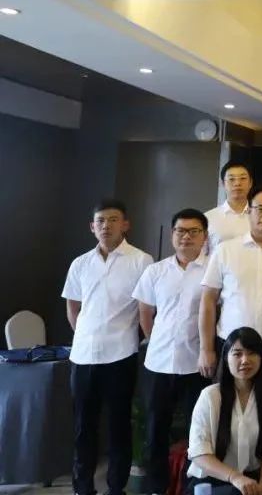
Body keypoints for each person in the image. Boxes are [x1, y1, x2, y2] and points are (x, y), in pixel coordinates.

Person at [62, 199, 154, 495]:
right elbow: (73, 307)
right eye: (100, 221)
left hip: (120, 354)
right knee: (83, 427)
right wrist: (86, 335)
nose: (106, 226)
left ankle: (116, 488)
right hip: (83, 356)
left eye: (113, 220)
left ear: (125, 224)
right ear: (92, 227)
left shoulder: (141, 261)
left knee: (118, 427)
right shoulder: (80, 263)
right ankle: (83, 488)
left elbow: (146, 309)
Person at [133, 208, 211, 495]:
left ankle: (192, 487)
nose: (186, 237)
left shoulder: (213, 270)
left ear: (204, 236)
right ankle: (157, 487)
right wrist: (154, 340)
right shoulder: (156, 271)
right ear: (172, 235)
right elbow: (145, 312)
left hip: (197, 364)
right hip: (159, 362)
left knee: (197, 430)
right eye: (180, 231)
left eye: (193, 231)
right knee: (156, 429)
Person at [200, 185, 262, 397]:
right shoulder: (226, 250)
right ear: (249, 211)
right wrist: (206, 349)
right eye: (260, 208)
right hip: (231, 349)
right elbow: (208, 301)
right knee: (227, 407)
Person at [187, 328, 262, 495]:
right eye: (238, 354)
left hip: (255, 481)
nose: (245, 360)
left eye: (252, 353)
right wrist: (235, 477)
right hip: (213, 480)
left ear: (261, 358)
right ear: (226, 358)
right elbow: (199, 452)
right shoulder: (210, 396)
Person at [205, 161, 253, 253]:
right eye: (231, 179)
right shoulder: (208, 218)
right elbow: (202, 255)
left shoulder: (260, 218)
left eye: (243, 178)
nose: (237, 183)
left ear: (250, 183)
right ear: (223, 183)